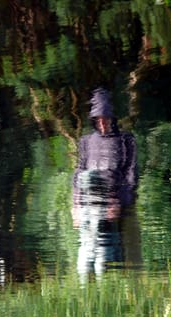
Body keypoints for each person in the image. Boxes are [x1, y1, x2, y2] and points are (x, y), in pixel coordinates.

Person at [72, 88, 140, 281]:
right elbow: (78, 172)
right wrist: (75, 205)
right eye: (98, 119)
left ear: (112, 118)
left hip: (114, 202)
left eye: (106, 118)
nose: (102, 123)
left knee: (104, 257)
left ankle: (110, 291)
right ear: (93, 120)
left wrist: (119, 202)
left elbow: (131, 174)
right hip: (88, 204)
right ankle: (85, 296)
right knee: (86, 255)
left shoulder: (126, 140)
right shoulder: (86, 141)